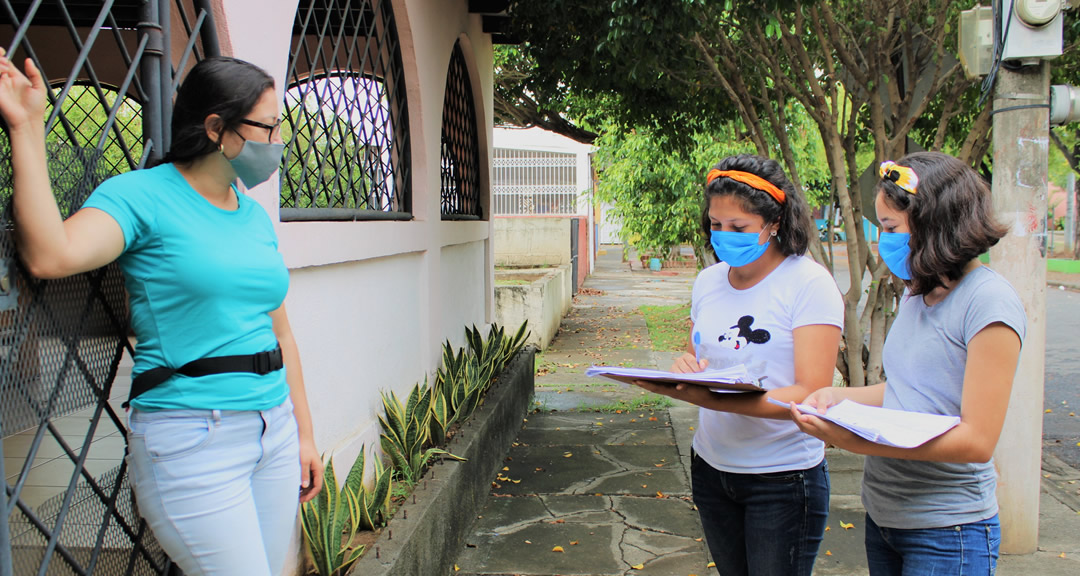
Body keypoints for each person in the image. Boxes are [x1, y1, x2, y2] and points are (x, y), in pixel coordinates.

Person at [0, 53, 323, 575]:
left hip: (274, 431)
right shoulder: (141, 197)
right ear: (218, 127)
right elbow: (50, 253)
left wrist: (304, 434)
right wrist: (27, 126)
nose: (277, 142)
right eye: (268, 127)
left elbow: (279, 331)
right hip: (195, 438)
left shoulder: (251, 215)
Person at [790, 152, 1026, 576]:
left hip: (947, 529)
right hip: (885, 518)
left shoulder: (988, 302)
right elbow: (911, 389)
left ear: (935, 221)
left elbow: (977, 441)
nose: (885, 242)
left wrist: (853, 440)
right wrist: (838, 396)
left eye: (891, 229)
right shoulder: (921, 293)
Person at [632, 154, 843, 576]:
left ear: (774, 223)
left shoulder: (809, 285)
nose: (724, 236)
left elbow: (811, 395)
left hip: (782, 478)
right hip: (712, 469)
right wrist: (686, 368)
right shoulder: (709, 281)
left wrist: (713, 398)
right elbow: (702, 355)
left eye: (739, 227)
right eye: (716, 224)